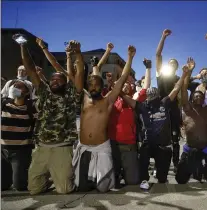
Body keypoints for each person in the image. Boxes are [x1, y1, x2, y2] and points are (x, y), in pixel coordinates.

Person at [19, 39, 83, 195]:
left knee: (64, 190)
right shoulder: (43, 91)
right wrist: (23, 45)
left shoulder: (72, 94)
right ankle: (49, 178)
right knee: (34, 190)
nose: (54, 82)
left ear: (65, 83)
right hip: (41, 148)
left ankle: (61, 175)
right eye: (52, 79)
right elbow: (30, 68)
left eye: (59, 80)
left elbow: (80, 72)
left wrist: (78, 53)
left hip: (62, 147)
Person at [72, 45, 136, 193]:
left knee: (103, 188)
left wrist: (130, 58)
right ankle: (89, 177)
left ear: (103, 88)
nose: (93, 88)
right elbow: (80, 71)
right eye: (91, 85)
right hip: (84, 147)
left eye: (97, 85)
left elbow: (122, 79)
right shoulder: (83, 98)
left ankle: (100, 178)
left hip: (102, 147)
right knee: (81, 188)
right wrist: (78, 53)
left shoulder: (107, 101)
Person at [120, 59, 192, 190]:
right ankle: (144, 179)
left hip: (163, 146)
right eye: (149, 95)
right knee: (143, 156)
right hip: (148, 144)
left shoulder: (164, 102)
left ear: (158, 95)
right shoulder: (142, 106)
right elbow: (127, 98)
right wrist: (118, 89)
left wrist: (184, 75)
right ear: (146, 97)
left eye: (155, 95)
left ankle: (160, 174)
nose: (152, 97)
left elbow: (176, 89)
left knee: (162, 178)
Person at [175, 61, 207, 185]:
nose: (198, 97)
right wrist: (187, 73)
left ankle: (200, 169)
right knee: (180, 180)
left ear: (204, 99)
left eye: (201, 96)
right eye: (196, 96)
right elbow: (183, 89)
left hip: (205, 149)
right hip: (189, 149)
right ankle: (195, 169)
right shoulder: (187, 109)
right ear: (192, 97)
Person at [107, 58, 150, 187]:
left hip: (128, 145)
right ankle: (117, 173)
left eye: (128, 83)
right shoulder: (111, 98)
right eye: (123, 83)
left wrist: (148, 68)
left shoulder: (134, 99)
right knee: (111, 182)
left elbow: (146, 87)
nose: (126, 84)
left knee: (132, 181)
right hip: (112, 143)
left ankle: (125, 172)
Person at [1, 80, 37, 191]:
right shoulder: (4, 104)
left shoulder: (31, 108)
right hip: (3, 151)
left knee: (20, 186)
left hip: (20, 152)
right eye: (14, 86)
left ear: (27, 92)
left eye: (20, 86)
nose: (15, 87)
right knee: (2, 186)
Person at [155, 28, 182, 173]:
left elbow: (188, 81)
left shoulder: (178, 79)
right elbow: (158, 55)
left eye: (174, 64)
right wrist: (163, 37)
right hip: (160, 109)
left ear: (176, 67)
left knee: (175, 139)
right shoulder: (161, 74)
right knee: (160, 138)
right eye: (170, 63)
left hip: (174, 110)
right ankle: (160, 165)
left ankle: (176, 164)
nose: (172, 64)